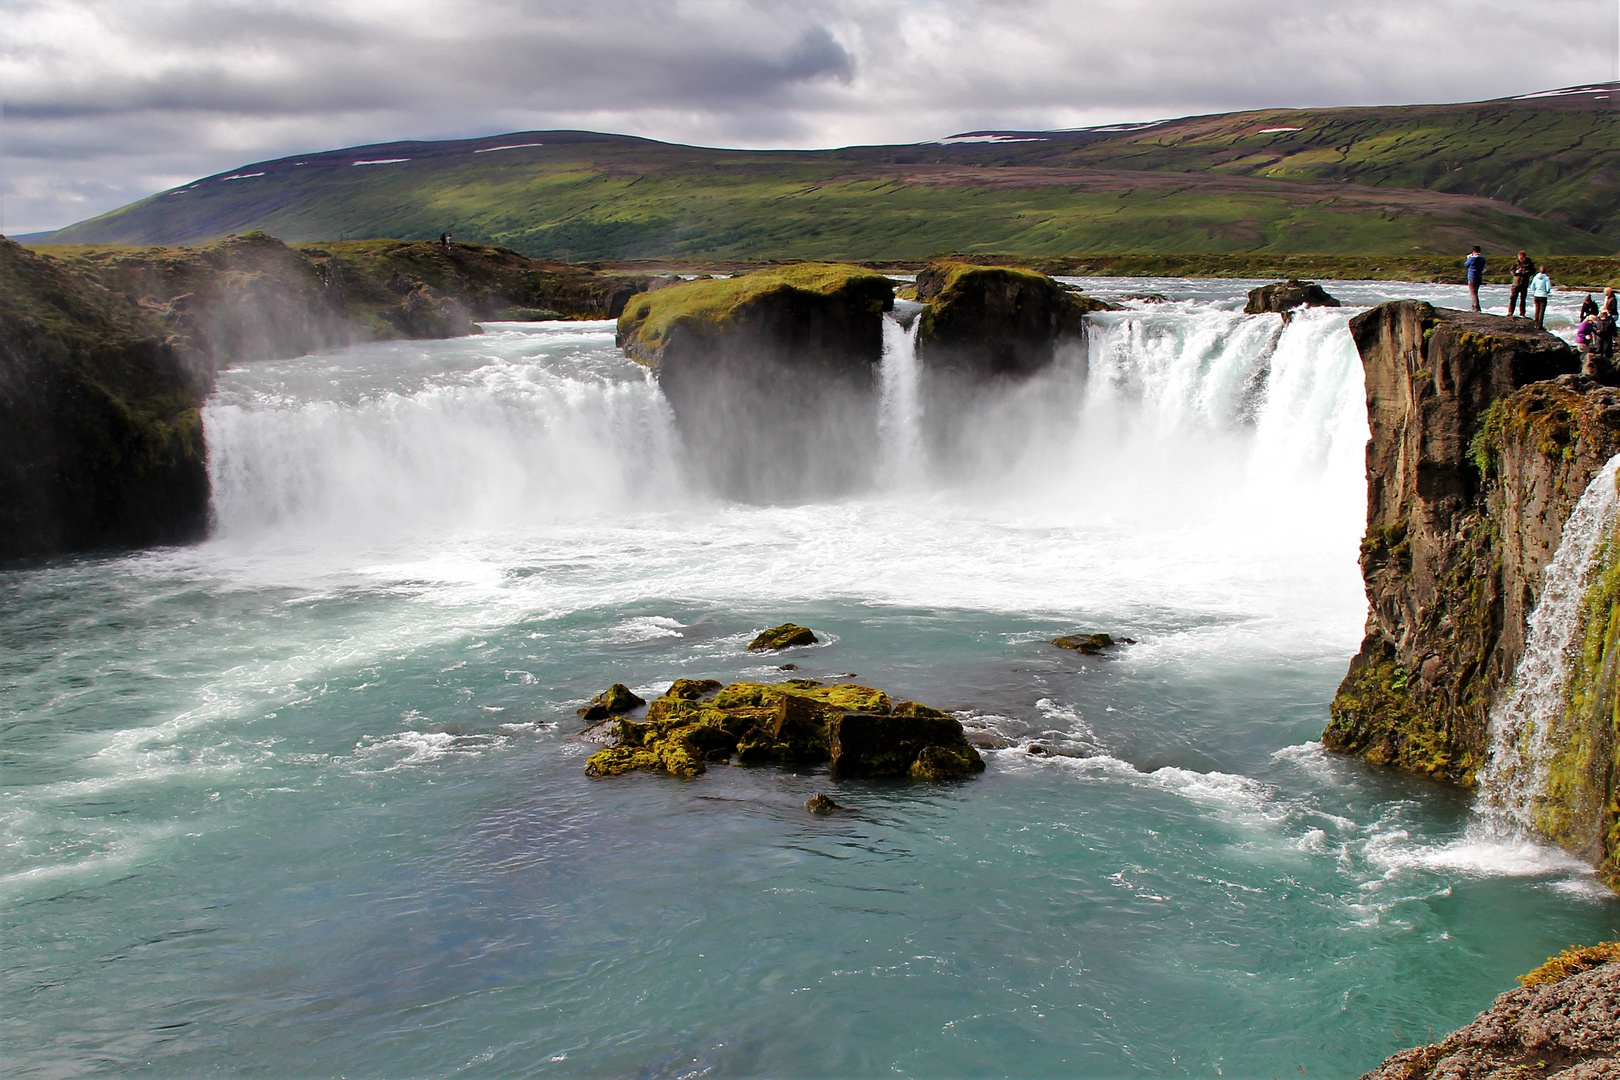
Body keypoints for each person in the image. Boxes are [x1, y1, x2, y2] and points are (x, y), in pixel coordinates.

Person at [1509, 251, 1535, 317]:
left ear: (1524, 257)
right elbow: (1512, 270)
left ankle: (1522, 313)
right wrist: (1517, 271)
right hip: (1516, 283)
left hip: (1524, 283)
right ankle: (1510, 312)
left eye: (1521, 258)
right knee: (1513, 298)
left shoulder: (1530, 264)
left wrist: (1526, 272)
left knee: (1523, 299)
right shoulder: (1516, 263)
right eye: (1519, 258)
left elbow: (1533, 272)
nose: (1520, 259)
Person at [1464, 246, 1487, 311]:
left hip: (1472, 277)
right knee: (1475, 292)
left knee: (1473, 292)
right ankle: (1474, 306)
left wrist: (1468, 258)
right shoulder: (1483, 259)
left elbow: (1466, 264)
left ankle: (1476, 307)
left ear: (1474, 251)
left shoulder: (1472, 259)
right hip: (1479, 276)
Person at [1577, 312, 1600, 376]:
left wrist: (1597, 332)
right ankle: (1582, 371)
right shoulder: (1583, 324)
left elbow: (1593, 330)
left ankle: (1584, 371)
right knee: (1583, 356)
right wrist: (1585, 336)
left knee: (1586, 355)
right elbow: (1579, 333)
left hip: (1587, 342)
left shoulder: (1590, 325)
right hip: (1581, 342)